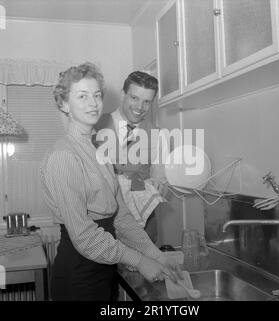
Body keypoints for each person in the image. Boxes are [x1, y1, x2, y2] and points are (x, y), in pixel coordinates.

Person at [40, 62, 182, 301]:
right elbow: (85, 237)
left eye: (96, 95)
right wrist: (140, 260)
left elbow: (121, 216)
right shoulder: (63, 156)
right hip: (79, 275)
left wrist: (156, 255)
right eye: (82, 96)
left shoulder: (98, 153)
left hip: (104, 270)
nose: (93, 103)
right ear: (64, 104)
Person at [93, 71, 168, 244]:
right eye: (134, 98)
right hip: (104, 220)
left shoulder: (158, 135)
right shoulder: (96, 125)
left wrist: (155, 185)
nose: (140, 107)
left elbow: (161, 183)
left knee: (145, 269)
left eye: (147, 101)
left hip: (142, 223)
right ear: (123, 94)